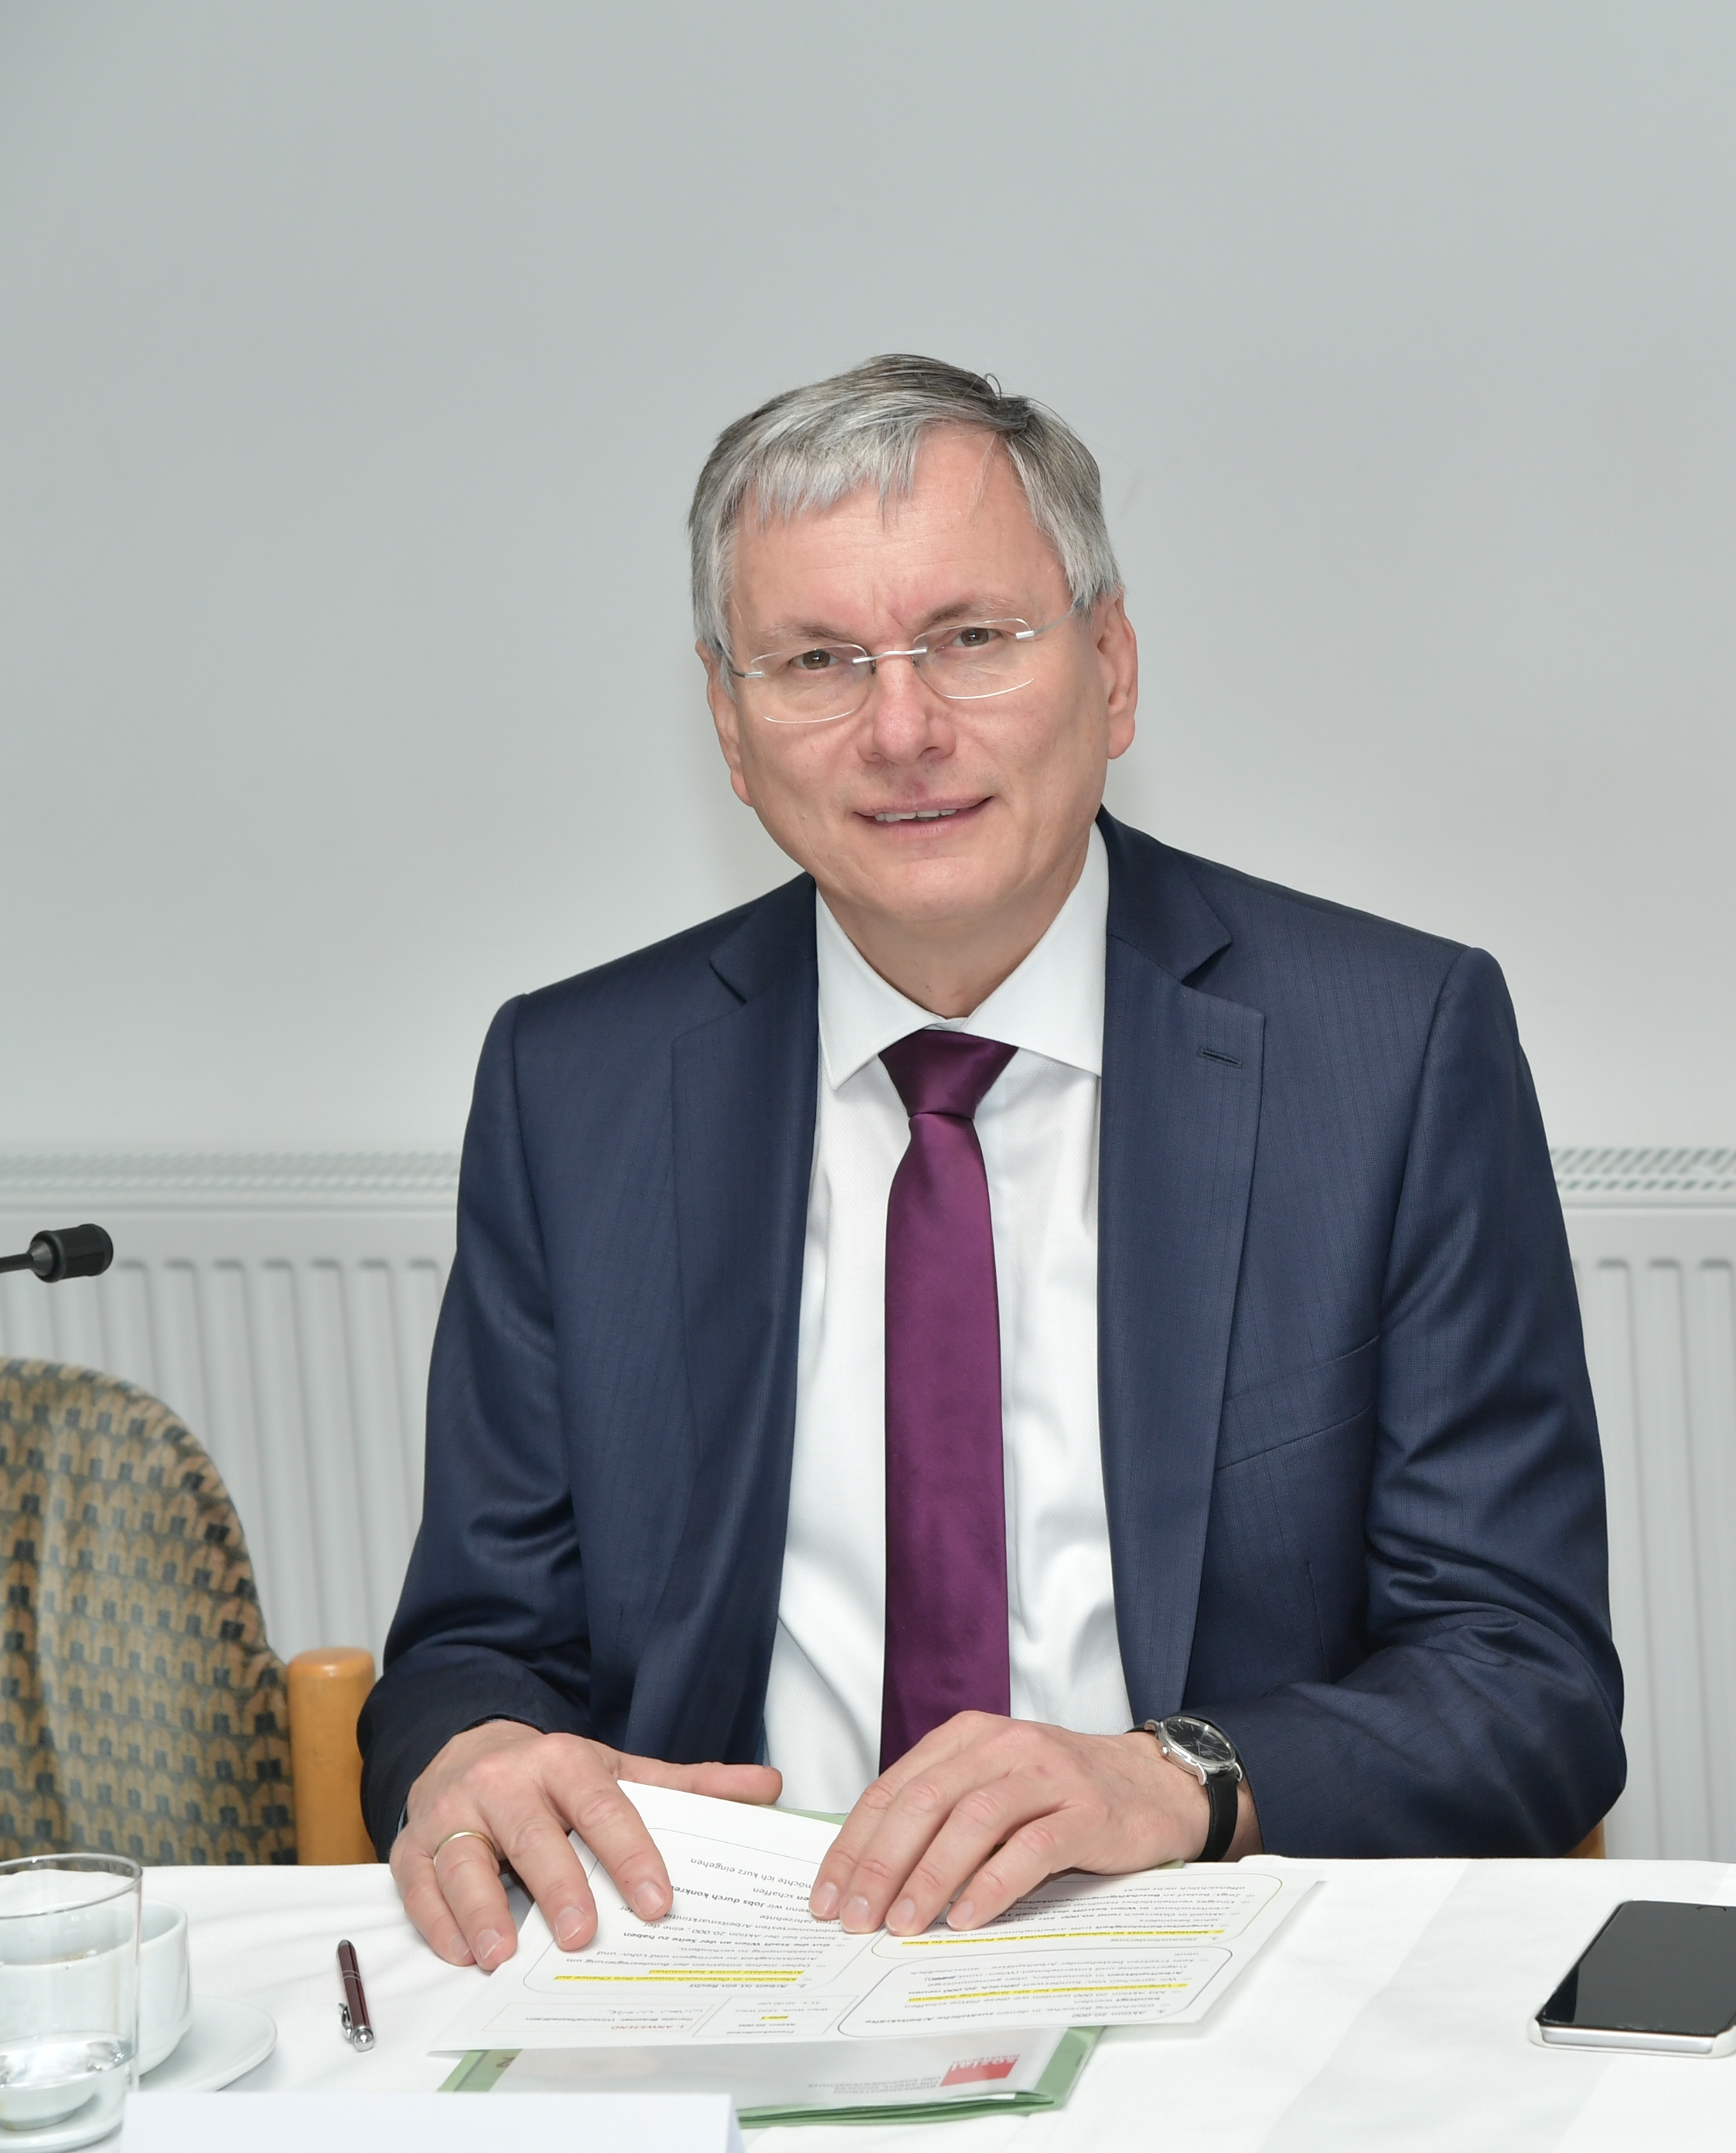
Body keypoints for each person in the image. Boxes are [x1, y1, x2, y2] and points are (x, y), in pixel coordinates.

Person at [363, 355, 1622, 1972]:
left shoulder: (1387, 1053)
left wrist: (1176, 1779)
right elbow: (475, 1647)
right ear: (730, 731)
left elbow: (1525, 1682)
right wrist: (471, 1757)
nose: (904, 728)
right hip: (721, 1962)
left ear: (1111, 669)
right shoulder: (576, 1084)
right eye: (816, 660)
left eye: (972, 638)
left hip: (1203, 1940)